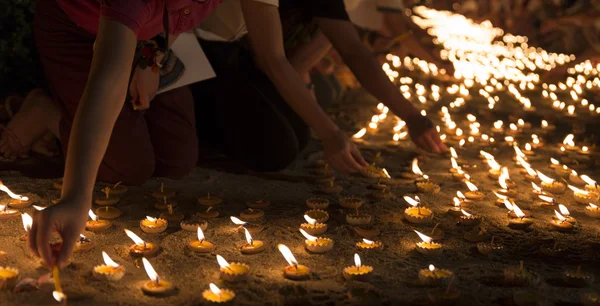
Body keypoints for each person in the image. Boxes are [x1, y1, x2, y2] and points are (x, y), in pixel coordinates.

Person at [29, 0, 222, 269]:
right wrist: (75, 197)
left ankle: (127, 118)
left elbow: (180, 17)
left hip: (147, 35)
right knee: (127, 167)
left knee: (178, 159)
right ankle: (43, 113)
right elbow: (107, 79)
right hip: (77, 29)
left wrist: (151, 58)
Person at [192, 0, 446, 173]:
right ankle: (195, 128)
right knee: (277, 149)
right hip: (200, 49)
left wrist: (412, 116)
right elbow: (272, 58)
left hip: (237, 50)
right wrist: (331, 133)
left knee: (300, 131)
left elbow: (354, 51)